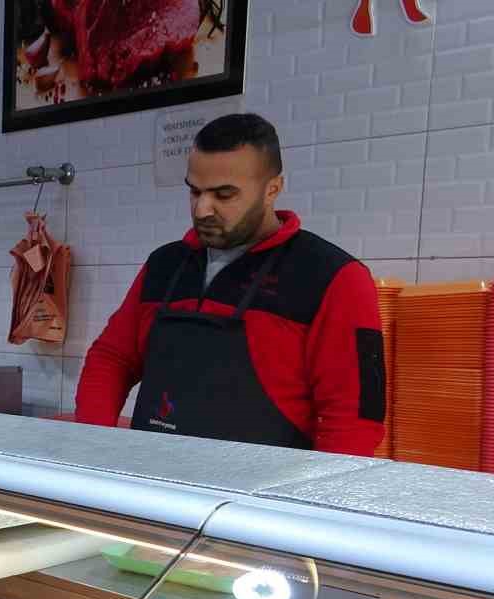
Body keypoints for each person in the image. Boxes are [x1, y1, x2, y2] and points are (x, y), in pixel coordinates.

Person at [74, 113, 385, 455]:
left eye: (224, 195)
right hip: (154, 484)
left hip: (257, 499)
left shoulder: (334, 278)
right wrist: (92, 448)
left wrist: (314, 503)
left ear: (272, 189)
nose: (203, 209)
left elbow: (355, 416)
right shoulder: (165, 266)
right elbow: (112, 358)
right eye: (194, 191)